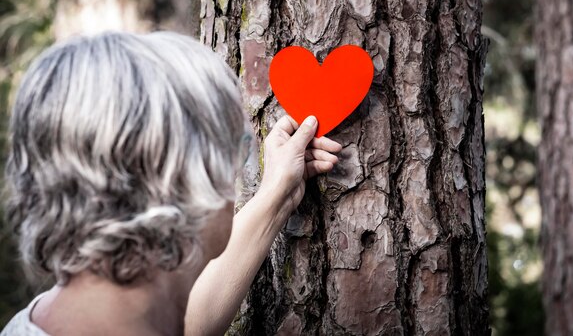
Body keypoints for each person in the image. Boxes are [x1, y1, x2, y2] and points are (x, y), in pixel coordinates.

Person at [1, 32, 342, 335]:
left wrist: (277, 196)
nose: (234, 171)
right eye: (230, 148)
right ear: (181, 173)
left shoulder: (64, 316)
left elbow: (190, 324)